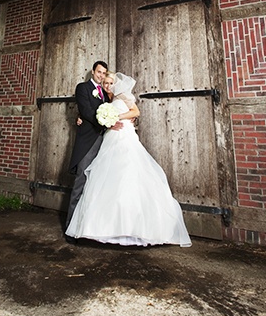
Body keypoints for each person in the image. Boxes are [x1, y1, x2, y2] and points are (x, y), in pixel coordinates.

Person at [66, 72, 191, 247]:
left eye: (110, 82)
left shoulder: (122, 96)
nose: (108, 85)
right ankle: (105, 228)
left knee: (128, 172)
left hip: (124, 136)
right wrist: (82, 118)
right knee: (107, 177)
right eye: (106, 83)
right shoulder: (106, 101)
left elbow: (136, 111)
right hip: (110, 138)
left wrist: (118, 117)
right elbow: (92, 113)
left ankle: (134, 227)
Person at [65, 60, 123, 241]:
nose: (101, 75)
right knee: (81, 182)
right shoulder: (82, 88)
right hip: (88, 142)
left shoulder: (106, 94)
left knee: (96, 185)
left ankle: (88, 228)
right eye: (99, 72)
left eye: (104, 73)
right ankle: (70, 230)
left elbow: (113, 109)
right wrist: (107, 122)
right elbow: (87, 111)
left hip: (104, 142)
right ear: (93, 71)